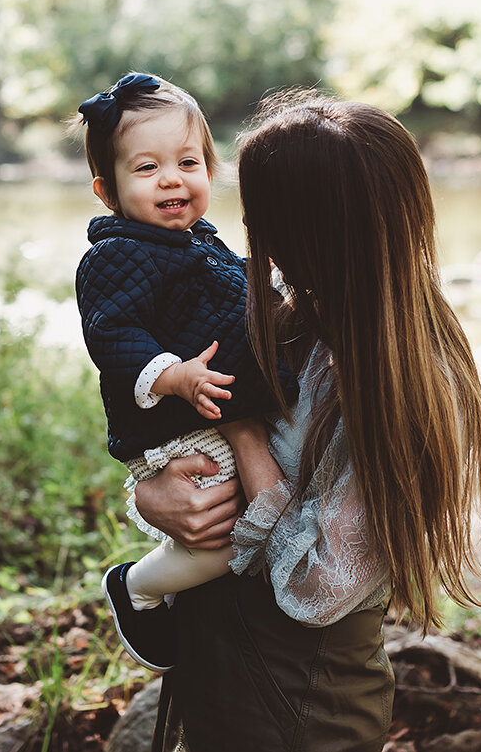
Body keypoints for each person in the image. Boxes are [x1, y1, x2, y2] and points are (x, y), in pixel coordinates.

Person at [132, 92, 481, 751]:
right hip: (214, 665)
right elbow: (176, 443)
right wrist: (153, 497)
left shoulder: (413, 381)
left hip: (305, 703)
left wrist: (247, 442)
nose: (247, 225)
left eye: (263, 213)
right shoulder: (283, 322)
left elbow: (316, 585)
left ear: (312, 232)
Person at [74, 72, 295, 674]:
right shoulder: (116, 256)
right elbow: (112, 334)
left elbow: (233, 294)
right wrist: (172, 376)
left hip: (212, 411)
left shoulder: (199, 241)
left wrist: (272, 281)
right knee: (226, 534)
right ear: (107, 191)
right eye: (146, 169)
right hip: (176, 427)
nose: (172, 178)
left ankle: (186, 594)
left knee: (250, 517)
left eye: (188, 161)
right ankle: (139, 586)